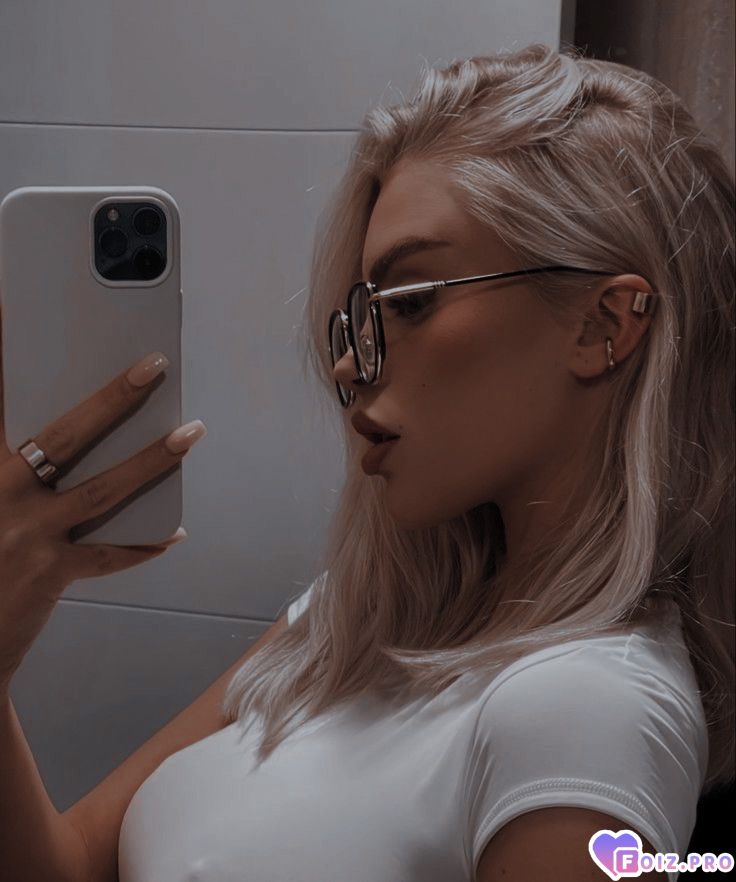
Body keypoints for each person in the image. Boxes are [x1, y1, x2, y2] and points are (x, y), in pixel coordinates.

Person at [2, 43, 733, 882]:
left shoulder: (588, 711)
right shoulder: (346, 620)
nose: (350, 365)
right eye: (363, 312)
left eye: (412, 301)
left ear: (604, 325)